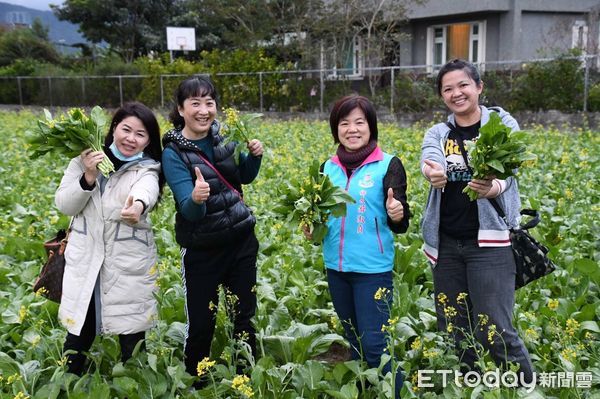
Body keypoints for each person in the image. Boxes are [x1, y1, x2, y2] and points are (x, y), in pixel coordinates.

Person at [420, 58, 534, 382]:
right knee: (455, 330)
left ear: (479, 87)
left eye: (463, 85)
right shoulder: (439, 132)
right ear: (442, 96)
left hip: (491, 245)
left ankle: (524, 387)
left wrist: (493, 187)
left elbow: (509, 170)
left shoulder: (502, 124)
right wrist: (433, 172)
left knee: (496, 330)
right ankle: (470, 385)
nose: (456, 93)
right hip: (447, 246)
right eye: (448, 88)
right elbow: (430, 158)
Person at [161, 75, 263, 380]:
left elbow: (241, 176)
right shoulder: (173, 153)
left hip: (241, 241)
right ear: (181, 109)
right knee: (202, 324)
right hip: (202, 249)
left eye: (209, 102)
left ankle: (245, 375)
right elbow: (189, 211)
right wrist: (196, 197)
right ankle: (196, 379)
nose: (203, 110)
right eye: (195, 103)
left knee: (243, 317)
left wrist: (254, 158)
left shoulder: (225, 137)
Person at [55, 102, 164, 375]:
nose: (131, 138)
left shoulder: (147, 168)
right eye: (126, 129)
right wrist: (88, 177)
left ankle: (137, 384)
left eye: (140, 134)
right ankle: (69, 382)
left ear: (149, 140)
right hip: (86, 259)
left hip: (128, 263)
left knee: (132, 332)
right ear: (114, 128)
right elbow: (65, 205)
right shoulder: (82, 161)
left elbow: (146, 190)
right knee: (80, 331)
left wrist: (137, 205)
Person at [313, 95, 410, 397]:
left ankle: (398, 392)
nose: (352, 129)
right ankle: (366, 391)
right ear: (335, 129)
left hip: (372, 270)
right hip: (337, 268)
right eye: (344, 123)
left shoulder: (388, 165)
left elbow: (401, 222)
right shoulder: (326, 167)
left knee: (375, 344)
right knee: (353, 340)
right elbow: (319, 220)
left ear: (371, 127)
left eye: (359, 122)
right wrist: (311, 227)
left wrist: (398, 213)